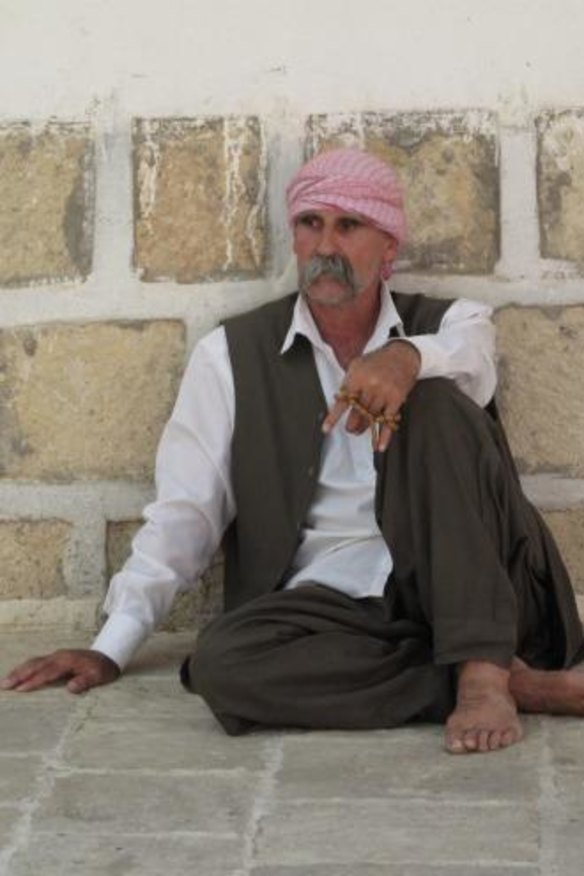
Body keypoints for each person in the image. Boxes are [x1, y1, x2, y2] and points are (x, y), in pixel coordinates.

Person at [2, 148, 584, 755]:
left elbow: (474, 361)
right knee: (220, 665)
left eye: (348, 226)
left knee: (434, 402)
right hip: (334, 610)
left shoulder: (452, 324)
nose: (325, 244)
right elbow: (186, 515)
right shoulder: (230, 356)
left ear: (388, 248)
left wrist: (406, 358)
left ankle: (483, 674)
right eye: (311, 224)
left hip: (477, 584)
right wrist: (111, 645)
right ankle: (508, 680)